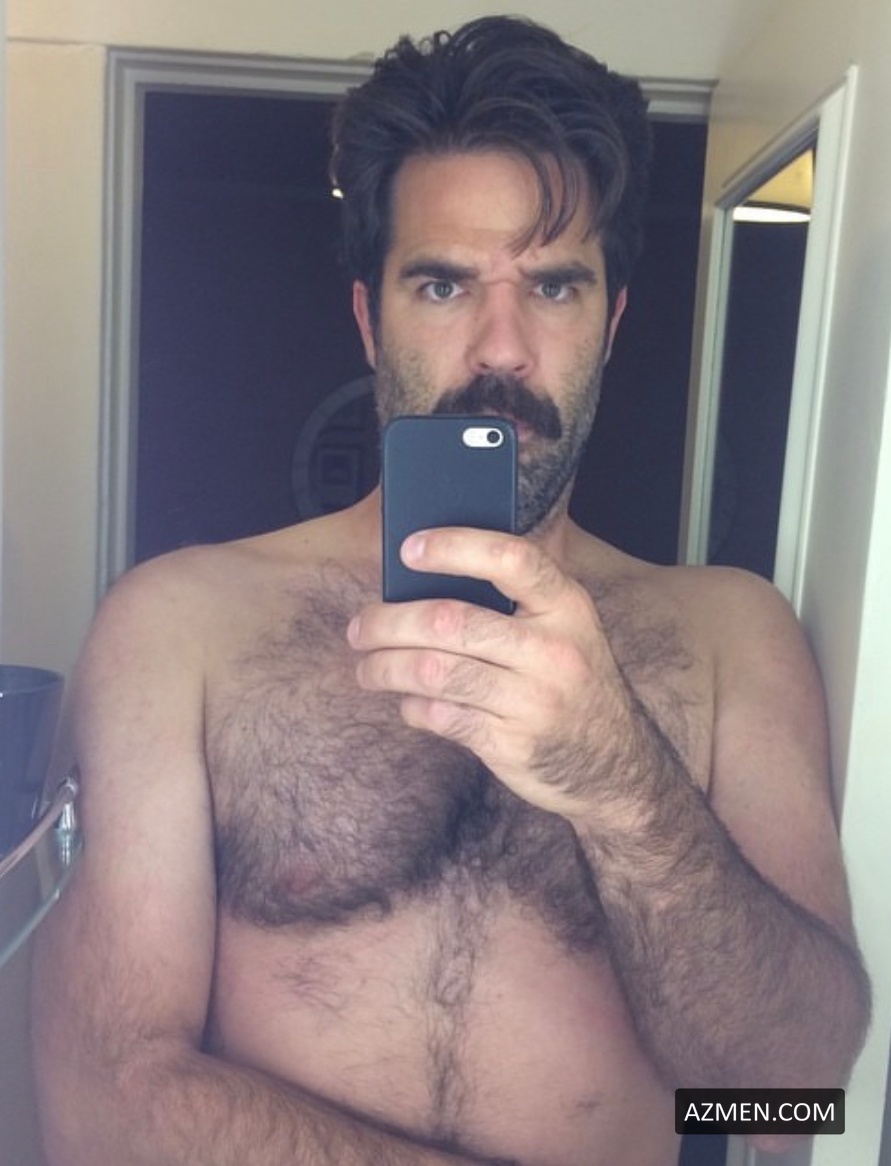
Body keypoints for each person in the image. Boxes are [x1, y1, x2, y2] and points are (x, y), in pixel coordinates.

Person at [33, 16, 869, 1166]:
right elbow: (98, 1097)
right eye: (442, 283)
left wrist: (622, 784)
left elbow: (794, 1103)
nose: (501, 348)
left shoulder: (732, 636)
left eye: (556, 286)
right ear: (370, 318)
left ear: (612, 324)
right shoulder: (178, 628)